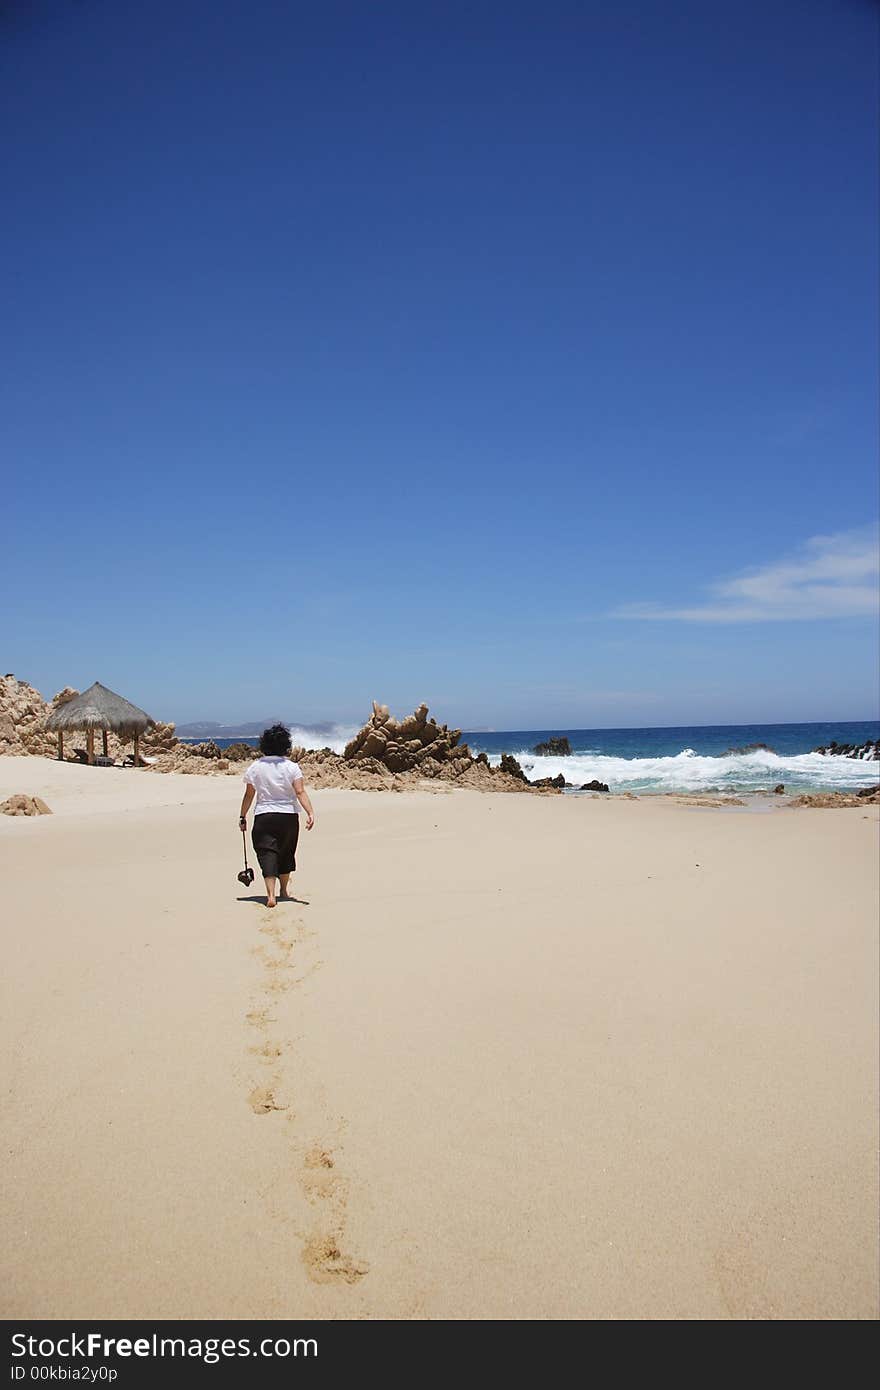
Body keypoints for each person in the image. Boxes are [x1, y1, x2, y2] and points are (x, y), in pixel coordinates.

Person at [239, 724, 315, 908]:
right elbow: (300, 792)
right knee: (286, 853)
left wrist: (242, 816)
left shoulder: (255, 767)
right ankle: (284, 891)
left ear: (264, 744)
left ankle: (271, 895)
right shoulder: (292, 767)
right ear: (285, 745)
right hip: (288, 817)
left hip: (264, 816)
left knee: (267, 853)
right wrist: (310, 812)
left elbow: (249, 794)